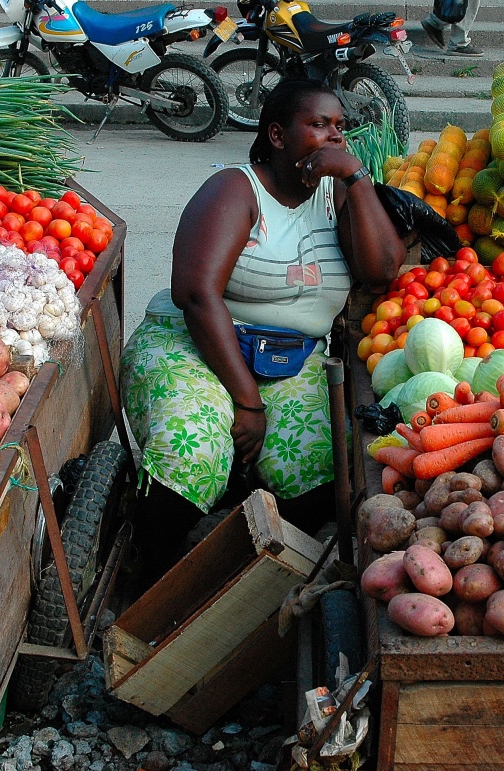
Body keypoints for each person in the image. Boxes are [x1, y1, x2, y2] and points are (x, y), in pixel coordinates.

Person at [121, 78, 406, 586]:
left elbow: (383, 268)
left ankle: (244, 578)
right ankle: (149, 578)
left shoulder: (337, 196)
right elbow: (195, 293)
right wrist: (247, 402)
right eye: (318, 126)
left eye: (340, 127)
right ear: (277, 135)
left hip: (291, 358)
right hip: (197, 343)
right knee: (196, 451)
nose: (334, 138)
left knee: (322, 465)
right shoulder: (235, 189)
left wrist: (358, 181)